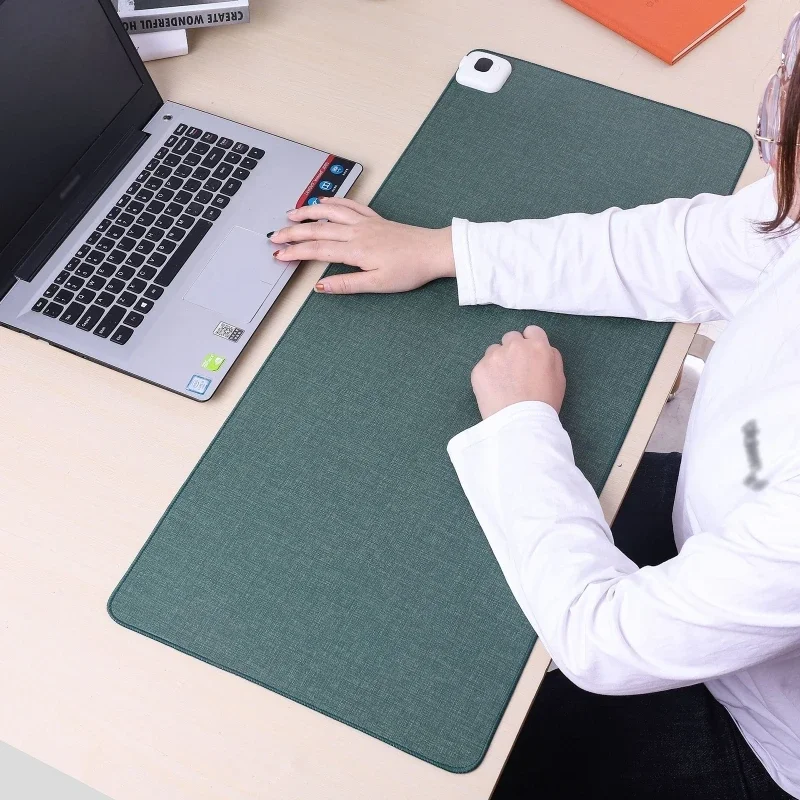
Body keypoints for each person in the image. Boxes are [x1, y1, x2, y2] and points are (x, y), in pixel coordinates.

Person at [269, 15, 800, 800]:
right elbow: (701, 248)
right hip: (723, 551)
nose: (770, 140)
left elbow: (607, 645)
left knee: (400, 730)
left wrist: (521, 430)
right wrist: (443, 251)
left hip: (758, 735)